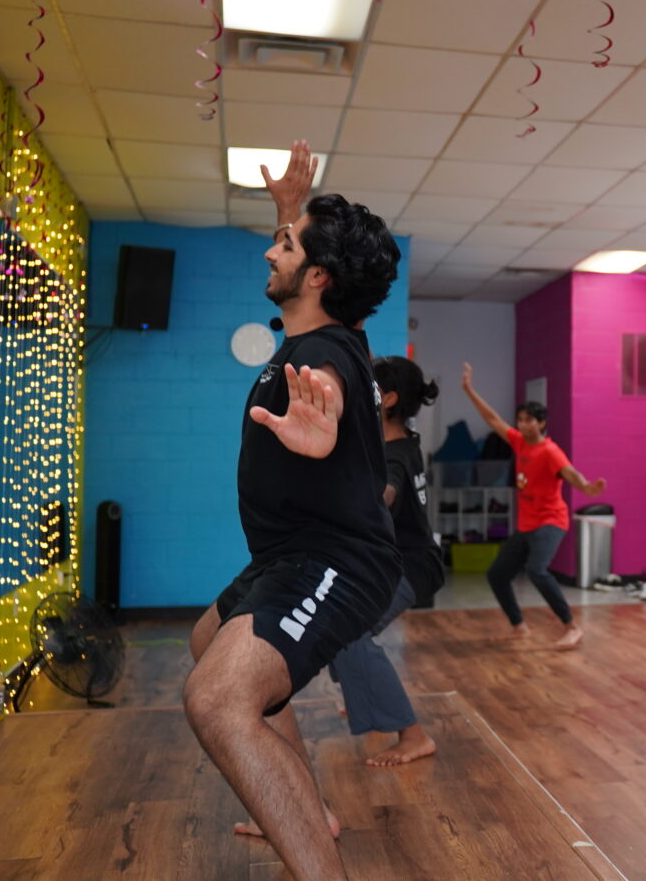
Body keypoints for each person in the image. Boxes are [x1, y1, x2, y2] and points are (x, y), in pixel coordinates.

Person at [185, 140, 400, 880]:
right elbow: (325, 311)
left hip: (336, 562)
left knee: (216, 700)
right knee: (205, 641)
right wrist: (290, 212)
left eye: (283, 245)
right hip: (287, 556)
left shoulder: (327, 360)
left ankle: (318, 857)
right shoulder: (331, 332)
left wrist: (327, 422)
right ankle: (309, 807)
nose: (269, 254)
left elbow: (331, 388)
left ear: (318, 277)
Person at [324, 356, 442, 768]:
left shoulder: (395, 457)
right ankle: (368, 696)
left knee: (350, 632)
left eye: (367, 387)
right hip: (395, 561)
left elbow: (386, 495)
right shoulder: (402, 443)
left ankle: (413, 735)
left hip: (411, 565)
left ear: (387, 398)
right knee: (333, 624)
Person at [462, 365, 605, 649]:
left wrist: (586, 486)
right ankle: (519, 627)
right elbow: (492, 419)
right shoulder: (519, 443)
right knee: (497, 575)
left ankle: (572, 626)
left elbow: (569, 472)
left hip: (551, 521)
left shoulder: (550, 451)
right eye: (520, 419)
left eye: (529, 420)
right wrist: (468, 390)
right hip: (526, 524)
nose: (523, 424)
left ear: (541, 423)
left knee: (537, 570)